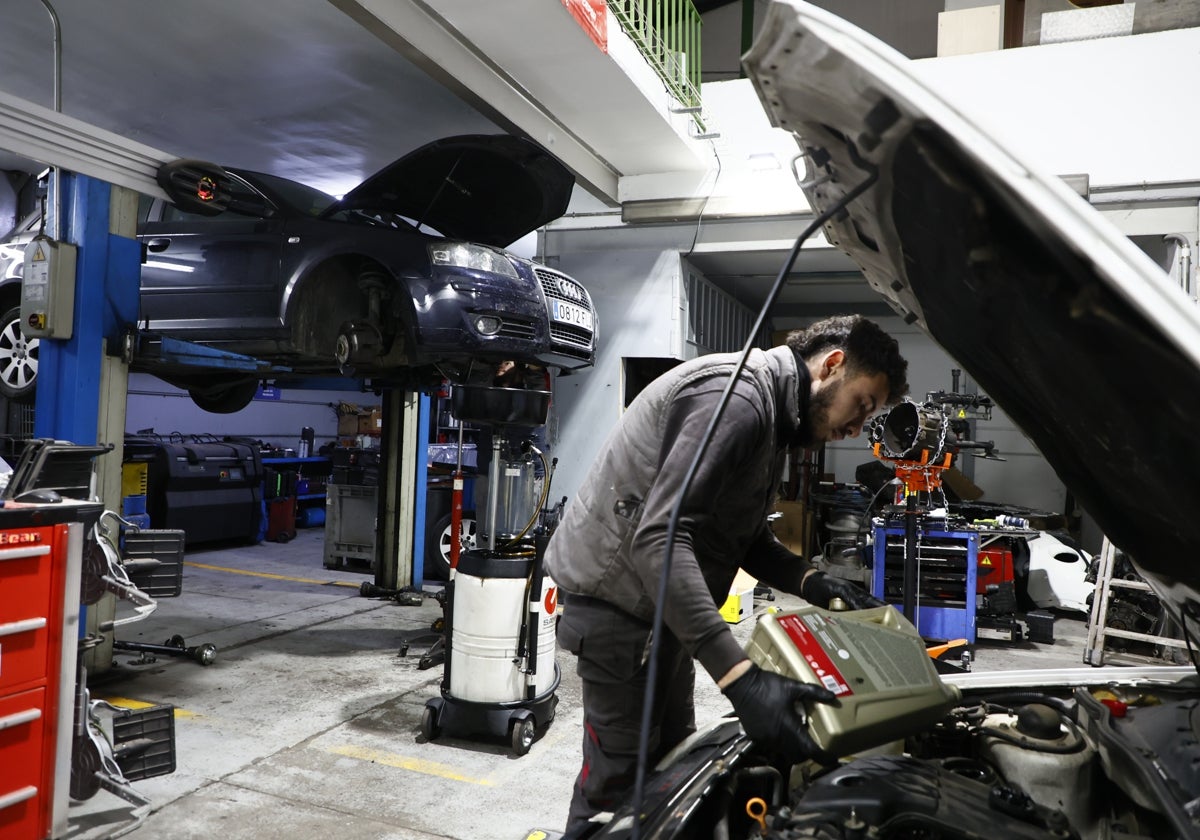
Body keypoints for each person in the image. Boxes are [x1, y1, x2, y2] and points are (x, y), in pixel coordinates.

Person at [544, 314, 909, 835]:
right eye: (862, 406)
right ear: (832, 366)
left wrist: (809, 581)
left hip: (663, 615)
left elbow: (740, 534)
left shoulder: (775, 418)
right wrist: (741, 679)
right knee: (616, 794)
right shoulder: (735, 398)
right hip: (621, 613)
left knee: (675, 774)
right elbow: (661, 537)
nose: (855, 428)